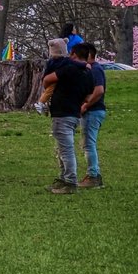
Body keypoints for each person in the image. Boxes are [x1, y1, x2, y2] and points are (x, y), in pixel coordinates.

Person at [43, 39, 96, 194]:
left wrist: (49, 90)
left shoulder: (68, 69)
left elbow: (47, 80)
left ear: (73, 54)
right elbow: (88, 96)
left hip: (62, 113)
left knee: (65, 150)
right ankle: (63, 178)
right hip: (74, 113)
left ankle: (70, 182)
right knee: (62, 148)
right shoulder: (88, 73)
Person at [76, 42, 108, 189]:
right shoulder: (90, 70)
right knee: (88, 143)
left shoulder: (95, 70)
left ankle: (93, 176)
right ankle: (94, 175)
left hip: (93, 111)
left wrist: (86, 105)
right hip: (92, 111)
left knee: (89, 144)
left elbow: (99, 90)